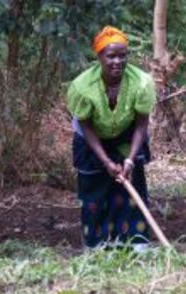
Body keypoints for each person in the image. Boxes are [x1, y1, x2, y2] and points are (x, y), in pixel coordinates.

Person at [67, 26, 156, 249]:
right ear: (99, 57)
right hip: (91, 137)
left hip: (127, 134)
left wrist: (129, 160)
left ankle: (134, 242)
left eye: (122, 55)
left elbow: (141, 124)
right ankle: (97, 244)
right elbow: (86, 126)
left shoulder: (142, 82)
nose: (117, 61)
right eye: (111, 56)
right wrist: (106, 162)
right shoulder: (82, 86)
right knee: (95, 190)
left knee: (130, 188)